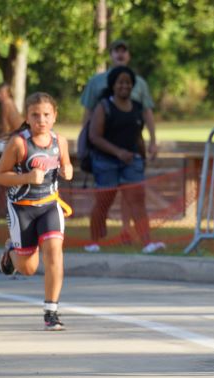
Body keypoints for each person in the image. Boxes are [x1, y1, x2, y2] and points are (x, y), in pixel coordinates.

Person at [0, 92, 73, 331]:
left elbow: (66, 164)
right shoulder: (19, 143)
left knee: (54, 252)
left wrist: (67, 170)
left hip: (49, 205)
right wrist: (28, 176)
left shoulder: (60, 141)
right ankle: (12, 249)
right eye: (35, 115)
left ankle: (51, 312)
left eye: (47, 115)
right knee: (27, 269)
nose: (42, 120)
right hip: (22, 209)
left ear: (55, 116)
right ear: (27, 118)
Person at [81, 39, 158, 248]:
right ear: (113, 85)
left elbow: (138, 130)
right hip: (105, 160)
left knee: (137, 200)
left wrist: (145, 149)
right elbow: (94, 135)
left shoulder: (137, 105)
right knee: (104, 201)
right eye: (120, 83)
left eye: (127, 83)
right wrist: (116, 152)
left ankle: (147, 242)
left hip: (131, 160)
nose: (124, 86)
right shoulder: (103, 105)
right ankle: (94, 241)